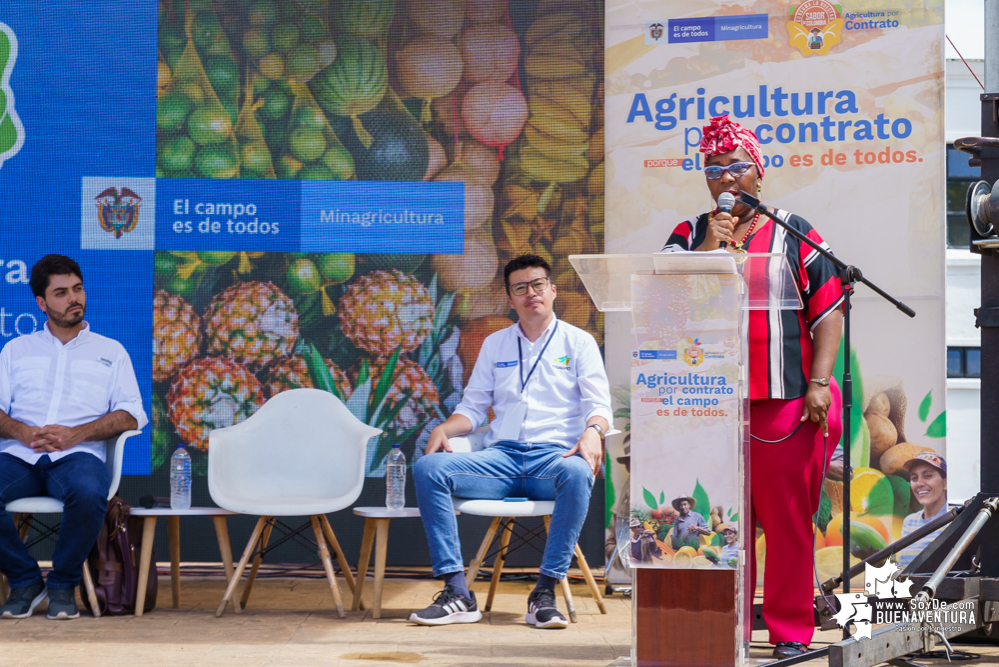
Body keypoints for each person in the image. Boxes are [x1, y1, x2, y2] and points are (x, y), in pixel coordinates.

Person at [662, 114, 845, 659]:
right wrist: (705, 253)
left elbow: (829, 310)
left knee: (788, 521)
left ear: (758, 174)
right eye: (713, 169)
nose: (724, 178)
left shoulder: (794, 230)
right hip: (707, 404)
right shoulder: (688, 234)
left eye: (735, 166)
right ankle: (728, 627)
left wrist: (818, 381)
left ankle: (790, 631)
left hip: (783, 401)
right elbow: (663, 307)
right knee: (721, 524)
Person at [410, 254, 612, 629]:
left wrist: (593, 431)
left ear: (552, 291)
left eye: (537, 285)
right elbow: (472, 408)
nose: (530, 293)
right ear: (510, 298)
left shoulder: (578, 341)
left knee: (577, 470)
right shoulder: (495, 343)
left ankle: (544, 593)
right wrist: (445, 429)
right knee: (429, 468)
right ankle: (457, 592)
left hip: (552, 460)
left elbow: (599, 405)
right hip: (500, 459)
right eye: (520, 288)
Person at [0, 255, 147, 620]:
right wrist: (24, 431)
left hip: (78, 456)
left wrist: (74, 435)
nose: (73, 299)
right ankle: (24, 580)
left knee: (88, 491)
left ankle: (63, 584)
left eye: (77, 289)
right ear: (41, 303)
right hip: (20, 454)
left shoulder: (110, 351)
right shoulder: (16, 350)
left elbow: (132, 414)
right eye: (61, 293)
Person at [895, 453, 948, 569]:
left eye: (927, 476)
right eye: (914, 478)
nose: (919, 483)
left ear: (945, 483)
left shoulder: (954, 521)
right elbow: (903, 567)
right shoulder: (909, 522)